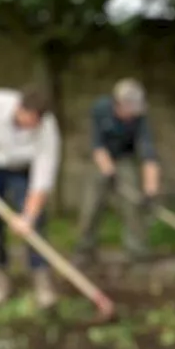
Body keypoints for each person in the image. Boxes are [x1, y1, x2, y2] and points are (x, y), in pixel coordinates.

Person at [0, 83, 62, 308]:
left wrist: (28, 216)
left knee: (35, 226)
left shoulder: (47, 129)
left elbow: (43, 175)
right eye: (29, 120)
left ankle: (41, 280)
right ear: (20, 108)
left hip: (23, 171)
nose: (30, 127)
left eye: (36, 123)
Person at [72, 78, 161, 265]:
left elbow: (148, 154)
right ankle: (85, 250)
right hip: (101, 158)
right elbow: (97, 145)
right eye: (130, 109)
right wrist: (109, 172)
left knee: (133, 206)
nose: (133, 114)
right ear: (118, 104)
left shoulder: (139, 119)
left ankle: (138, 253)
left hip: (125, 159)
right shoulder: (100, 109)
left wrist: (150, 191)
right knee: (92, 205)